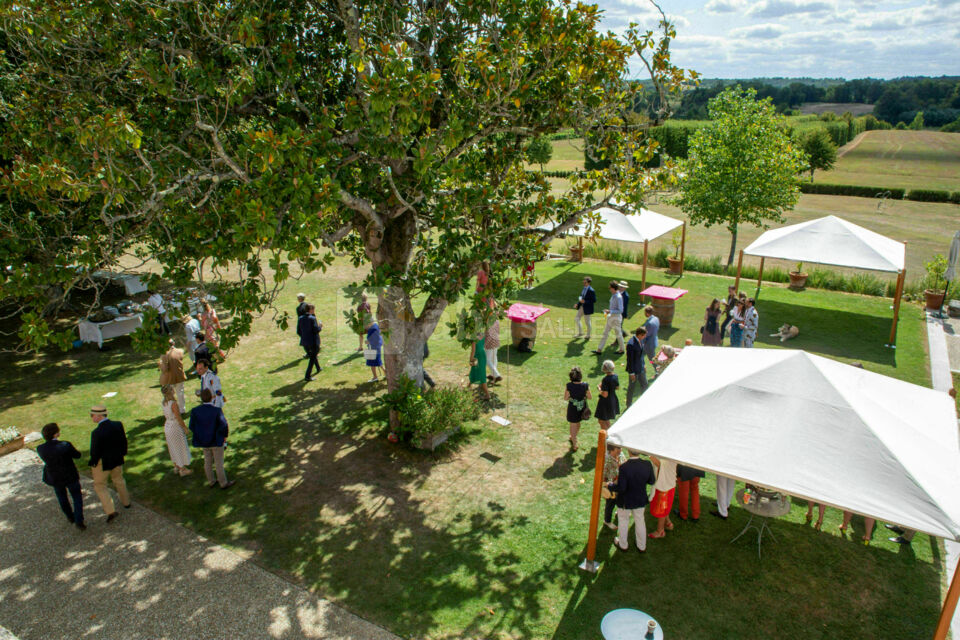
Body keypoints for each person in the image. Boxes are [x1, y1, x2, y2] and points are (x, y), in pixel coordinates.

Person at [37, 422, 85, 531]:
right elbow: (77, 455)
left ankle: (70, 516)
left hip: (55, 477)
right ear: (55, 434)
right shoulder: (65, 445)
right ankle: (79, 520)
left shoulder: (40, 448)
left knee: (62, 498)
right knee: (77, 497)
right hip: (70, 475)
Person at [88, 404, 130, 522]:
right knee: (119, 480)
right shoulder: (118, 425)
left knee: (100, 486)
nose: (91, 417)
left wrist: (93, 462)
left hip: (103, 463)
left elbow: (94, 452)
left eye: (92, 415)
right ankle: (126, 502)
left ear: (99, 416)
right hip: (117, 459)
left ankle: (110, 510)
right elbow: (124, 441)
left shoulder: (96, 432)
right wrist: (122, 454)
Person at [611, 448, 656, 553]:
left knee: (623, 521)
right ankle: (642, 546)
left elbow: (621, 488)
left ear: (628, 451)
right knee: (640, 521)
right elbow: (652, 481)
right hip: (640, 499)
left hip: (625, 501)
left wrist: (610, 486)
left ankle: (623, 545)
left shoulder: (624, 467)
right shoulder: (647, 464)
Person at [189, 388, 234, 489]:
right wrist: (224, 436)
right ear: (211, 397)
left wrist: (200, 434)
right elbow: (223, 425)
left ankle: (211, 481)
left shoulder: (195, 411)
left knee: (207, 461)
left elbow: (192, 426)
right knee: (218, 463)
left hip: (204, 441)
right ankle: (223, 483)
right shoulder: (216, 411)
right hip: (216, 441)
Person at [161, 385, 192, 477]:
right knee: (179, 447)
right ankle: (182, 469)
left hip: (167, 426)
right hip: (174, 427)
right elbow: (179, 418)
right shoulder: (173, 404)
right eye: (172, 389)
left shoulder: (164, 402)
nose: (173, 390)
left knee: (173, 447)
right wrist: (185, 428)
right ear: (170, 392)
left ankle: (176, 466)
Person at [648, 455, 677, 539]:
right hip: (669, 482)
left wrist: (649, 455)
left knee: (661, 508)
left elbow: (660, 464)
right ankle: (668, 522)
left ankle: (660, 531)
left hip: (664, 485)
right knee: (665, 506)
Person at [564, 366, 592, 451]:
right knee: (578, 423)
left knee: (573, 424)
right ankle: (574, 437)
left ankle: (574, 442)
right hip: (582, 407)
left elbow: (565, 398)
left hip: (573, 407)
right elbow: (590, 397)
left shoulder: (569, 385)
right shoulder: (585, 385)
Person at [593, 281, 625, 354]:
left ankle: (622, 349)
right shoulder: (613, 295)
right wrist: (609, 311)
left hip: (616, 318)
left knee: (618, 334)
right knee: (605, 332)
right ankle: (599, 349)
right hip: (611, 316)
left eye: (610, 287)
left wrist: (610, 311)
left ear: (613, 288)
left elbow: (621, 310)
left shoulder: (618, 297)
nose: (609, 289)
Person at [158, 339, 187, 412]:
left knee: (169, 395)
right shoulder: (180, 351)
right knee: (180, 393)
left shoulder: (164, 355)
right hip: (179, 376)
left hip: (169, 378)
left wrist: (160, 365)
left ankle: (171, 410)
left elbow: (165, 369)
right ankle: (182, 409)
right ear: (173, 343)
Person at [602, 443, 625, 530]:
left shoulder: (621, 455)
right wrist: (606, 485)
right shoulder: (607, 460)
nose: (620, 450)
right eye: (618, 448)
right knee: (610, 504)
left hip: (621, 484)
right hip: (611, 486)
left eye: (620, 447)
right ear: (612, 449)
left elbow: (625, 462)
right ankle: (607, 521)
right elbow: (603, 475)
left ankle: (618, 512)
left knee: (621, 499)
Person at [298, 304, 322, 381]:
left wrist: (304, 337)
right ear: (310, 310)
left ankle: (318, 368)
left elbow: (298, 331)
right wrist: (320, 326)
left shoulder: (300, 318)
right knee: (312, 357)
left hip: (305, 342)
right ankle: (307, 376)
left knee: (313, 355)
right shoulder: (312, 318)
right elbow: (316, 330)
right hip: (313, 341)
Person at [625, 326, 648, 406]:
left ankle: (643, 403)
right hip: (634, 371)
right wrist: (631, 373)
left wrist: (643, 364)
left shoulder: (640, 340)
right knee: (631, 388)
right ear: (640, 335)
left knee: (645, 385)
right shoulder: (631, 344)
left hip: (641, 368)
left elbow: (641, 355)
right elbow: (630, 360)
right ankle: (629, 405)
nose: (645, 337)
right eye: (644, 335)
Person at [595, 360, 620, 429]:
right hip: (613, 399)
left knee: (601, 420)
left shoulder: (605, 379)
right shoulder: (615, 376)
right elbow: (617, 387)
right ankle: (610, 432)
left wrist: (599, 388)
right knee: (606, 419)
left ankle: (605, 434)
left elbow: (605, 394)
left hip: (605, 402)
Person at [468, 333, 490, 400]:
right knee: (474, 370)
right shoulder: (482, 335)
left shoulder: (474, 339)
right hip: (482, 355)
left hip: (478, 357)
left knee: (481, 375)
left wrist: (471, 359)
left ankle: (487, 395)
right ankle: (468, 386)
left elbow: (473, 351)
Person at [484, 317, 502, 383]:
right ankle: (493, 375)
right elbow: (498, 330)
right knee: (494, 357)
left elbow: (484, 332)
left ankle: (497, 375)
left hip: (489, 342)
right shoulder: (496, 319)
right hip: (496, 340)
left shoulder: (486, 320)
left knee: (487, 359)